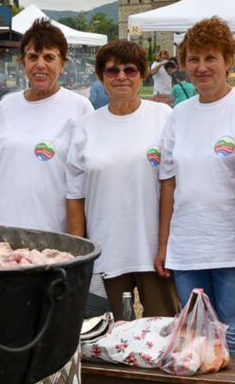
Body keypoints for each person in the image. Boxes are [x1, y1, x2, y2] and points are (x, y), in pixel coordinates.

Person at [155, 17, 235, 355]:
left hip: (232, 248)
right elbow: (169, 184)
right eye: (193, 59)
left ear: (229, 60)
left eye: (211, 57)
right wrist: (164, 243)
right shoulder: (179, 115)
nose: (201, 67)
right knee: (196, 338)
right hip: (188, 248)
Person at [67, 40, 179, 319]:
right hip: (106, 251)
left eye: (130, 70)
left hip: (154, 250)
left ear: (143, 75)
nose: (121, 77)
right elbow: (74, 197)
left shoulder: (163, 117)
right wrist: (79, 256)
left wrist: (167, 244)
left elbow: (173, 186)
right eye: (112, 71)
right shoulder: (87, 127)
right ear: (101, 77)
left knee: (162, 333)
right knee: (106, 341)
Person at [0, 19, 92, 231]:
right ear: (23, 63)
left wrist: (77, 242)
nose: (40, 65)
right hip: (1, 231)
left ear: (63, 63)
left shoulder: (79, 108)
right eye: (33, 57)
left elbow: (84, 186)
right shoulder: (7, 106)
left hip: (53, 235)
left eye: (49, 57)